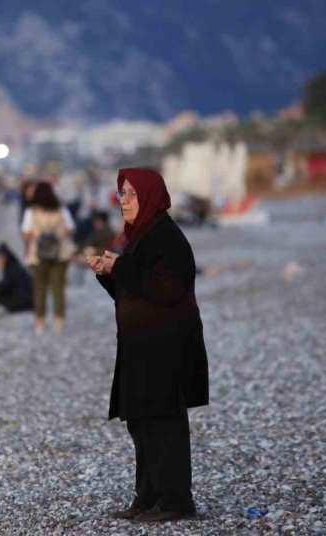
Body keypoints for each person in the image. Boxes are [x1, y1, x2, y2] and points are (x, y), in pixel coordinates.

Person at [86, 168, 209, 523]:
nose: (122, 201)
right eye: (121, 194)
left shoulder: (167, 237)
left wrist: (121, 267)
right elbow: (133, 289)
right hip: (141, 345)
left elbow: (166, 289)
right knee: (140, 421)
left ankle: (175, 502)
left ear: (150, 195)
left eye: (129, 194)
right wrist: (107, 274)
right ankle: (149, 496)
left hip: (165, 347)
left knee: (163, 423)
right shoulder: (140, 235)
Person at [25, 182, 76, 333]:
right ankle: (59, 322)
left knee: (39, 288)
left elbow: (27, 233)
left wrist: (40, 236)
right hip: (60, 253)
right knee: (58, 288)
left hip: (38, 255)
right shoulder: (62, 210)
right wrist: (57, 235)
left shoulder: (31, 212)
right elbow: (70, 229)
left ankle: (40, 322)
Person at [0, 243, 33, 320]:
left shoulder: (11, 268)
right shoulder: (13, 265)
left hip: (24, 304)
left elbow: (6, 287)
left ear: (3, 258)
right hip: (29, 303)